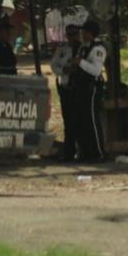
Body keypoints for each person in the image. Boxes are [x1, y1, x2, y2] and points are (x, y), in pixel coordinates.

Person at [68, 19, 107, 163]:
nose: (82, 34)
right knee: (82, 120)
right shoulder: (84, 47)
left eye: (84, 31)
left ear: (91, 33)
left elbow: (96, 70)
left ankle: (98, 152)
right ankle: (85, 152)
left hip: (92, 87)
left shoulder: (98, 49)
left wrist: (80, 62)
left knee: (92, 119)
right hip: (81, 87)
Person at [50, 24, 82, 162]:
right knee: (68, 122)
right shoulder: (63, 49)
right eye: (69, 35)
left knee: (81, 121)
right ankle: (69, 153)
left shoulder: (84, 49)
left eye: (74, 34)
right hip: (66, 87)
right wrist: (63, 70)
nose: (72, 37)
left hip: (81, 89)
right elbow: (54, 64)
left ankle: (83, 151)